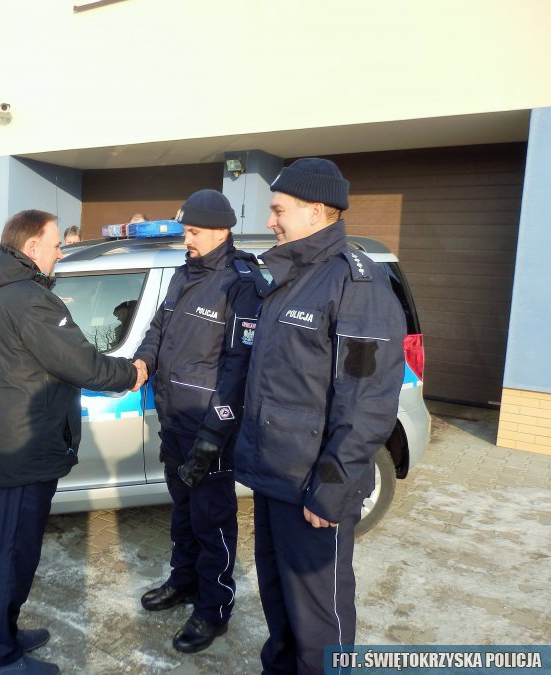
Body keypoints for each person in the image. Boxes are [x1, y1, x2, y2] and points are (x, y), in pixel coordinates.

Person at [234, 158, 406, 674]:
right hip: (276, 476)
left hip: (314, 488)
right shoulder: (291, 277)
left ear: (315, 211)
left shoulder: (357, 286)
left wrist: (330, 488)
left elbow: (367, 402)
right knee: (279, 603)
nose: (270, 221)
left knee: (318, 621)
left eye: (278, 210)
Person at [0, 209, 143, 674]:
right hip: (23, 449)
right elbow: (82, 363)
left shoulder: (3, 291)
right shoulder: (30, 300)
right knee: (10, 554)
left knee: (10, 549)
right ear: (31, 248)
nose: (60, 253)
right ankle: (0, 657)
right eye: (55, 245)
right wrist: (130, 373)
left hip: (15, 444)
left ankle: (4, 634)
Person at [132, 189, 268, 653]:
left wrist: (213, 436)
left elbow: (238, 368)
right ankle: (184, 581)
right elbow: (158, 328)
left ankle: (214, 608)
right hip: (174, 420)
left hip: (211, 430)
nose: (185, 240)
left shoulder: (241, 283)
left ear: (220, 231)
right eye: (185, 231)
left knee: (212, 521)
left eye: (192, 232)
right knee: (183, 513)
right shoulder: (183, 273)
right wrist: (143, 361)